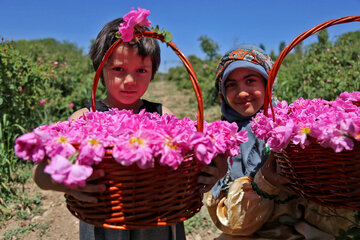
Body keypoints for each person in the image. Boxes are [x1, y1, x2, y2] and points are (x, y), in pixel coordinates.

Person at [32, 17, 226, 240]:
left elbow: (198, 151)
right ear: (100, 69)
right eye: (118, 68)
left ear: (153, 71)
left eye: (141, 70)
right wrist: (63, 180)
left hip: (159, 221)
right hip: (105, 223)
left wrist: (217, 169)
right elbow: (39, 174)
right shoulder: (85, 119)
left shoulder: (164, 115)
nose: (130, 80)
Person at [205, 45, 357, 239]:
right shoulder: (218, 139)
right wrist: (264, 183)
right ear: (222, 93)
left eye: (250, 81)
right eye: (231, 85)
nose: (242, 93)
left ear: (268, 83)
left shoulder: (291, 124)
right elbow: (230, 222)